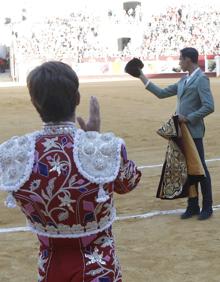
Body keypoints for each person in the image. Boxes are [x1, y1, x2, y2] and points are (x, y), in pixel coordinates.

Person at [0, 61, 141, 281]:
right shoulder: (105, 147)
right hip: (99, 265)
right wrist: (95, 141)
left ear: (34, 102)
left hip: (49, 266)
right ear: (77, 98)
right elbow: (128, 182)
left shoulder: (13, 152)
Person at [125, 47, 214, 220]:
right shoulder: (184, 80)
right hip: (182, 132)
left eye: (181, 59)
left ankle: (208, 207)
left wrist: (188, 118)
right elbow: (161, 93)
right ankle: (193, 205)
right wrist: (141, 75)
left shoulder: (201, 79)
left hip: (193, 131)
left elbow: (209, 106)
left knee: (200, 168)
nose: (179, 62)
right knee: (188, 169)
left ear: (188, 60)